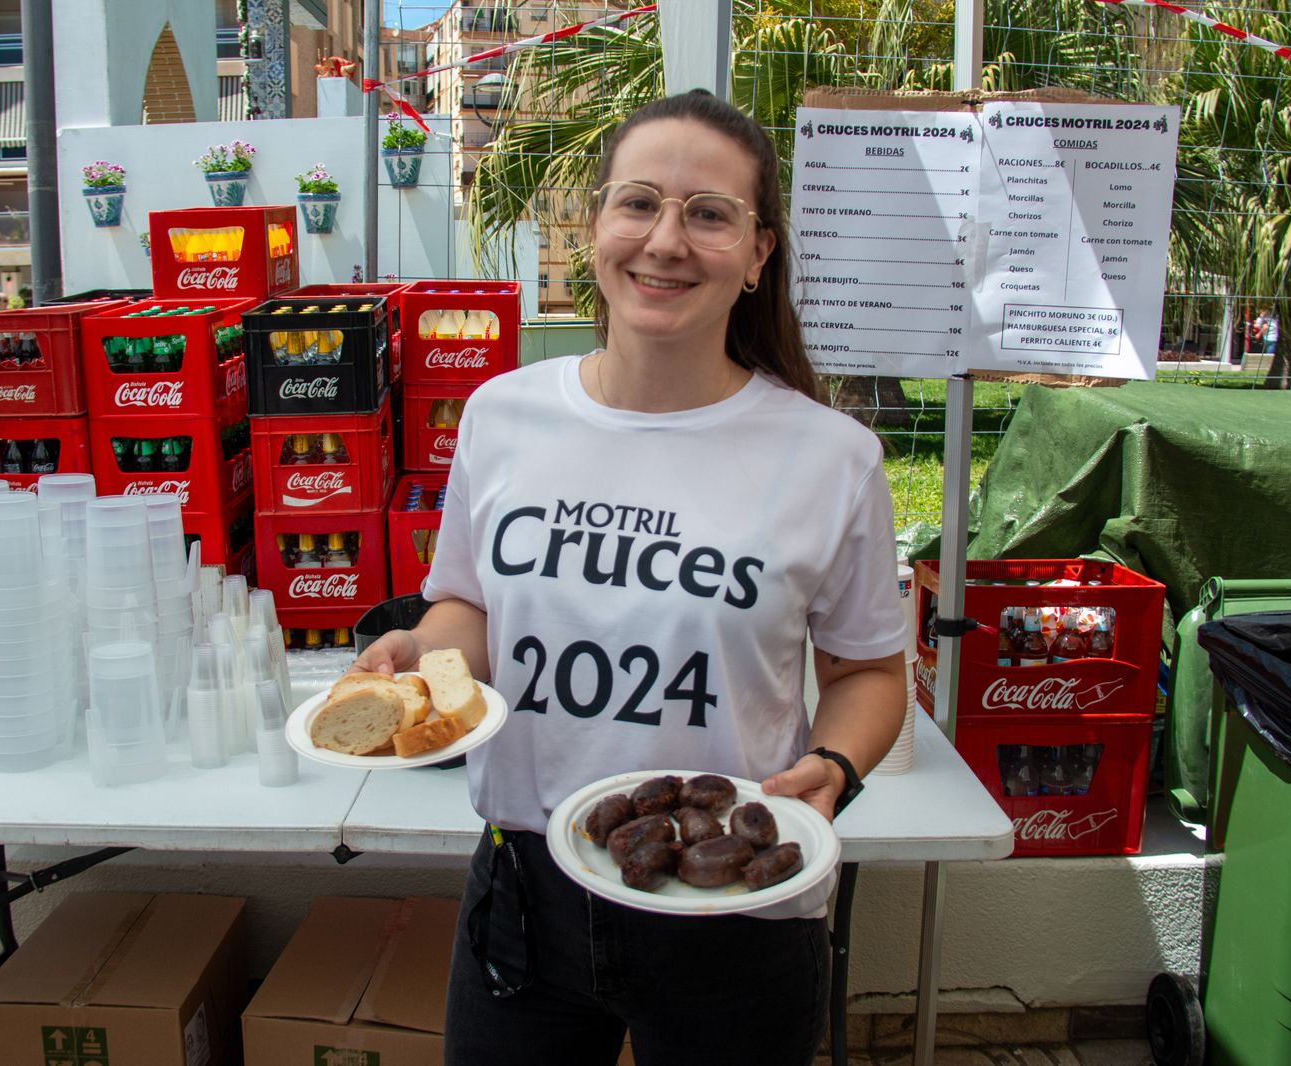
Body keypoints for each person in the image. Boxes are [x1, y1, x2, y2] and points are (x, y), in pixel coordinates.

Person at [351, 90, 908, 1066]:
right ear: (597, 224)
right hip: (524, 890)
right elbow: (471, 606)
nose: (665, 241)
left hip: (733, 891)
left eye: (708, 213)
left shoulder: (830, 457)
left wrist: (837, 766)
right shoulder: (500, 414)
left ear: (758, 253)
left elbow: (866, 672)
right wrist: (419, 659)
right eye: (638, 203)